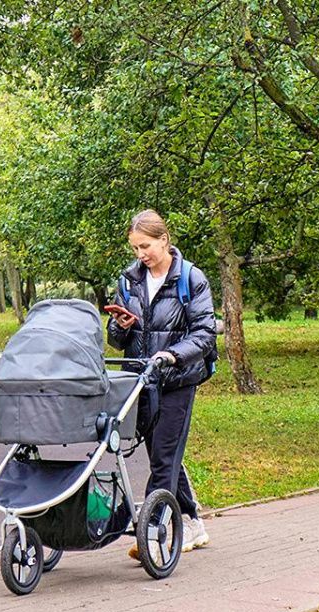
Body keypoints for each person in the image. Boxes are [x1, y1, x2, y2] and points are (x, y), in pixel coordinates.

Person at [106, 209, 217, 556]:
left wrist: (172, 355)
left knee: (165, 458)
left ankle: (152, 534)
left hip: (178, 380)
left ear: (164, 240)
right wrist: (121, 326)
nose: (141, 254)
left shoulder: (191, 278)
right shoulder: (129, 280)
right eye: (136, 248)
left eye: (146, 245)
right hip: (143, 381)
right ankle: (193, 522)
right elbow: (116, 340)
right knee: (161, 455)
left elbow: (204, 334)